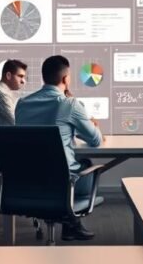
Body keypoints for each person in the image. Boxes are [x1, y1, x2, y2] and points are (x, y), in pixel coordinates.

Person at [15, 55, 103, 241]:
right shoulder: (69, 104)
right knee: (86, 164)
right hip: (61, 183)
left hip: (27, 183)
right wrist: (91, 125)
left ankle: (70, 225)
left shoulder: (22, 104)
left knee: (60, 169)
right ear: (65, 79)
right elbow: (95, 141)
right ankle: (70, 220)